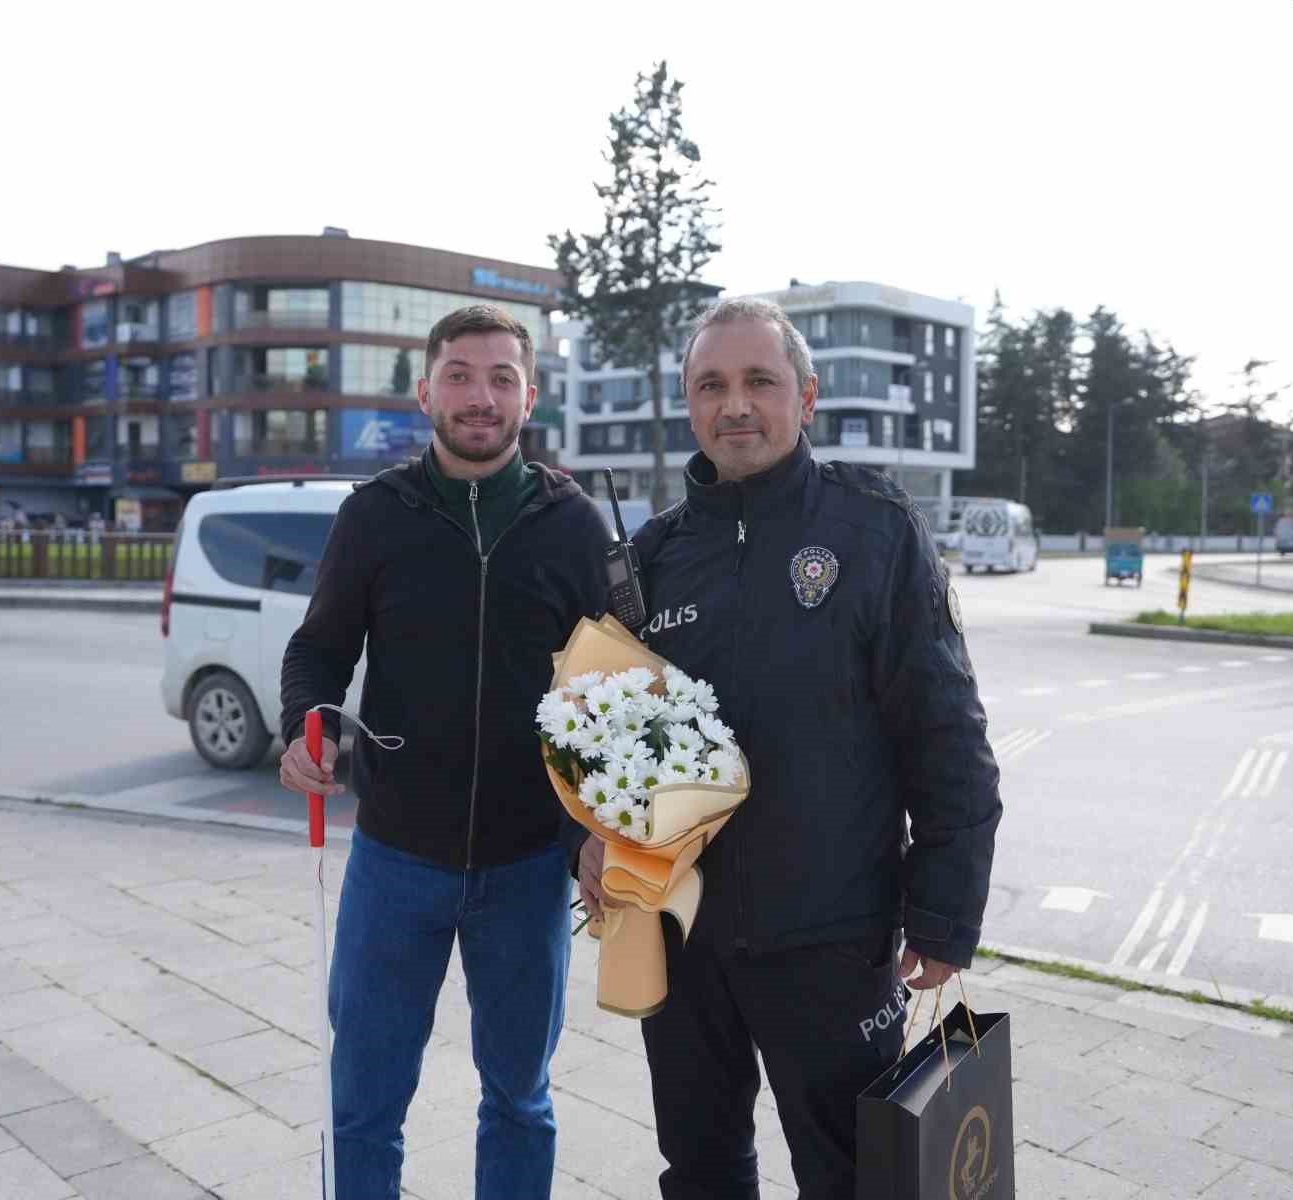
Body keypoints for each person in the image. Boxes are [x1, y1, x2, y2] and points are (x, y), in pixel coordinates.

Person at [576, 298, 1001, 1200]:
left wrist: (944, 913)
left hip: (833, 942)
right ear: (689, 405)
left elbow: (946, 733)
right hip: (684, 937)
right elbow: (614, 746)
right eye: (711, 385)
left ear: (805, 397)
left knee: (852, 1179)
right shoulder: (649, 558)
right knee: (700, 1171)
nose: (735, 405)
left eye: (759, 382)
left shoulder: (872, 531)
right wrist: (596, 834)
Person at [278, 304, 612, 1200]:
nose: (480, 397)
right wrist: (306, 722)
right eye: (460, 376)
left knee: (519, 1100)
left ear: (530, 398)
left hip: (528, 867)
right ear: (425, 392)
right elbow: (318, 650)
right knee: (362, 1104)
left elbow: (615, 692)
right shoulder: (375, 515)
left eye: (502, 378)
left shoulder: (573, 525)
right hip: (395, 862)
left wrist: (598, 827)